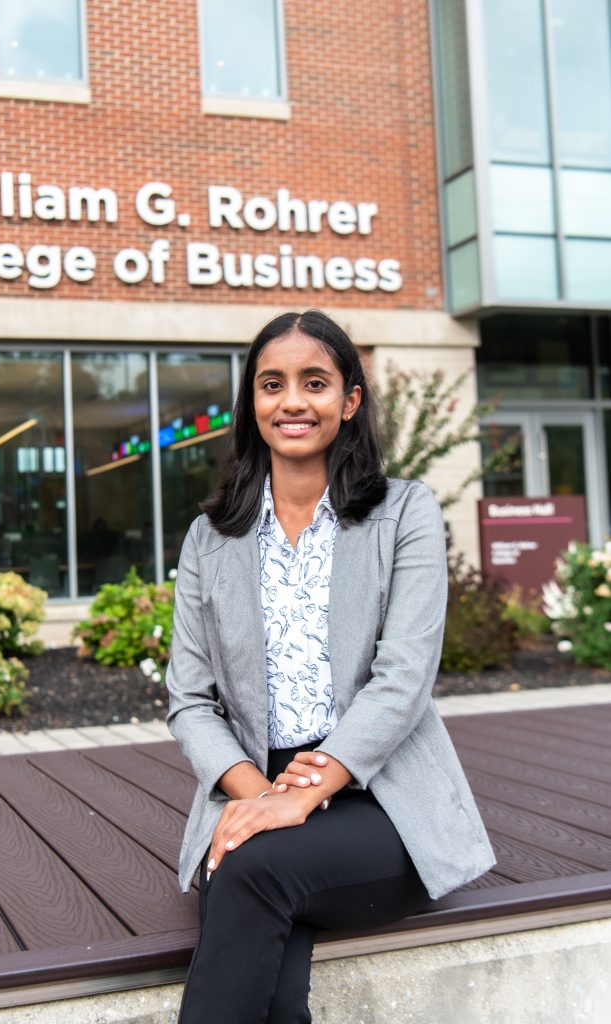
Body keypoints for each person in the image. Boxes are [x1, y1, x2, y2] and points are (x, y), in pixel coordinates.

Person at [165, 310, 495, 1023]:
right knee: (255, 884)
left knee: (246, 873)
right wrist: (258, 797)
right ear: (251, 404)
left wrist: (304, 795)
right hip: (252, 780)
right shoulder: (208, 538)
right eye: (271, 384)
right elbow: (189, 700)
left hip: (383, 797)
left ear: (348, 401)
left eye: (313, 383)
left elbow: (403, 676)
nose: (291, 401)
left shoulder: (404, 511)